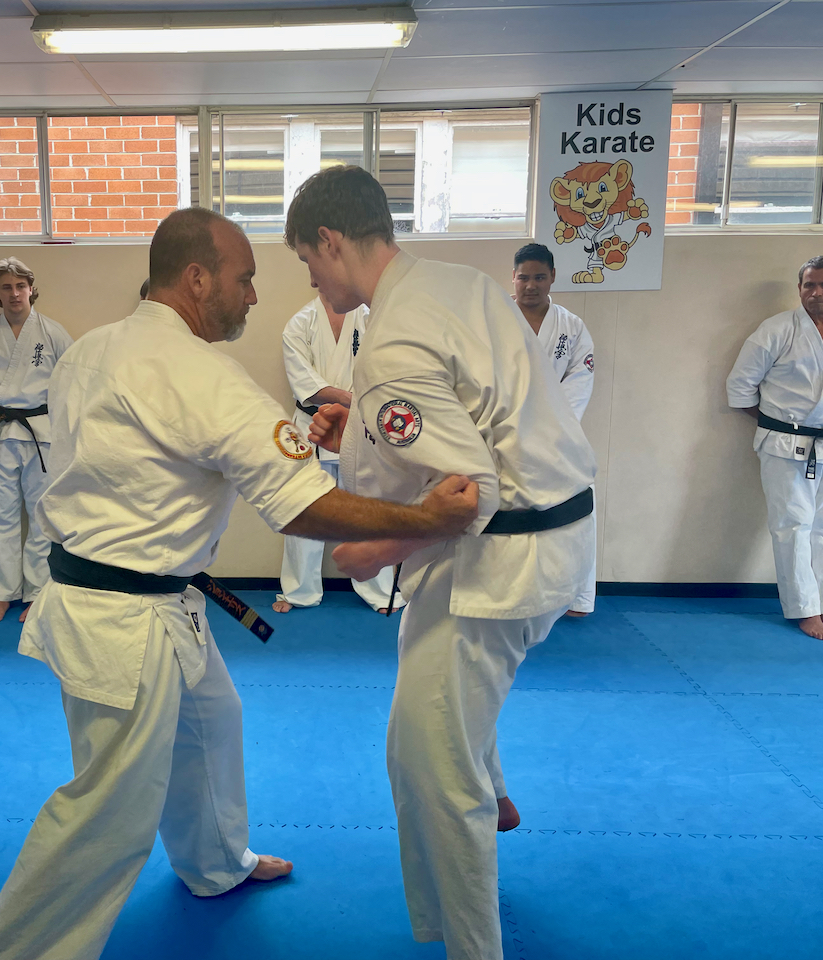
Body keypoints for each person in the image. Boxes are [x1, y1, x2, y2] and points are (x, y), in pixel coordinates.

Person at [0, 207, 481, 960]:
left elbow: (162, 452)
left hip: (127, 596)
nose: (252, 295)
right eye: (245, 279)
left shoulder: (93, 349)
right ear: (197, 278)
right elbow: (302, 505)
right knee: (106, 812)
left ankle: (214, 864)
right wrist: (425, 517)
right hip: (126, 622)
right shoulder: (199, 372)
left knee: (212, 720)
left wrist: (304, 442)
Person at [287, 166, 596, 960]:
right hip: (555, 533)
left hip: (500, 562)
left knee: (428, 762)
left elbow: (468, 493)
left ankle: (472, 945)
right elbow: (475, 412)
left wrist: (364, 550)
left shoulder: (392, 340)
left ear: (329, 240)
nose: (311, 279)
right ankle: (496, 790)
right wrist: (363, 426)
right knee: (433, 686)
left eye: (307, 260)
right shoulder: (457, 283)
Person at [727, 255, 823, 642]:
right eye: (809, 285)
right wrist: (779, 425)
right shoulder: (776, 330)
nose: (816, 292)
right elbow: (740, 388)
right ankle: (805, 610)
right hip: (786, 446)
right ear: (800, 289)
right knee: (793, 526)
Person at [273, 293, 401, 614]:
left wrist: (360, 404)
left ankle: (379, 591)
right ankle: (299, 591)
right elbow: (305, 384)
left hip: (358, 424)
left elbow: (384, 367)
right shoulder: (300, 324)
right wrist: (349, 398)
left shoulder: (370, 317)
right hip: (310, 425)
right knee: (304, 508)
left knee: (365, 508)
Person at [0, 258, 73, 622]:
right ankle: (2, 593)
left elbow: (71, 384)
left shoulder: (53, 333)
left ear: (31, 289)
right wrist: (5, 410)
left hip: (42, 433)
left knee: (42, 513)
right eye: (6, 287)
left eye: (20, 286)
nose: (14, 294)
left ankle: (37, 593)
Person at [512, 242, 596, 616]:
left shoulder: (571, 326)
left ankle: (578, 596)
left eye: (539, 277)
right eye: (523, 278)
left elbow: (580, 380)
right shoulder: (493, 319)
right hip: (505, 432)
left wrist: (549, 426)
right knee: (511, 519)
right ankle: (517, 594)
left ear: (553, 277)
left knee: (576, 510)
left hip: (559, 434)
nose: (531, 285)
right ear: (513, 278)